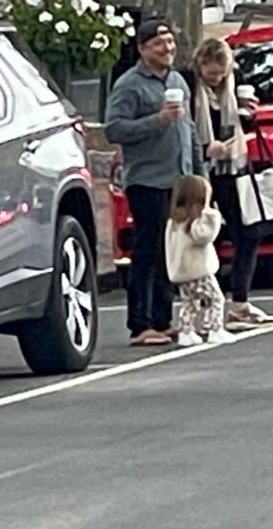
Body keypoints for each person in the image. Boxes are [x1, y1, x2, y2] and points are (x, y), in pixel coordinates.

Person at [105, 18, 206, 348]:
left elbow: (188, 128)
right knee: (147, 250)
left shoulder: (177, 80)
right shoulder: (129, 85)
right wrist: (156, 120)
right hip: (147, 179)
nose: (167, 49)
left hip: (179, 178)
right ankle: (140, 323)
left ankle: (163, 319)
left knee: (171, 250)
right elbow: (114, 129)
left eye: (170, 42)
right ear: (143, 49)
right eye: (159, 44)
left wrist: (199, 173)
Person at [186, 38, 273, 330]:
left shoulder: (235, 84)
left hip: (231, 167)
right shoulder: (188, 87)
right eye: (212, 75)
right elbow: (183, 130)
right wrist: (205, 148)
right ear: (200, 66)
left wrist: (249, 113)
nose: (217, 80)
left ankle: (240, 302)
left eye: (222, 74)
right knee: (201, 236)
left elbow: (244, 124)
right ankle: (200, 304)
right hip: (201, 171)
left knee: (247, 231)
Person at [165, 174, 233, 346]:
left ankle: (186, 332)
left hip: (182, 272)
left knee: (189, 303)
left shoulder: (174, 222)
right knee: (216, 299)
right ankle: (215, 329)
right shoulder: (194, 221)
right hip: (199, 271)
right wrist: (212, 216)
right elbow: (204, 237)